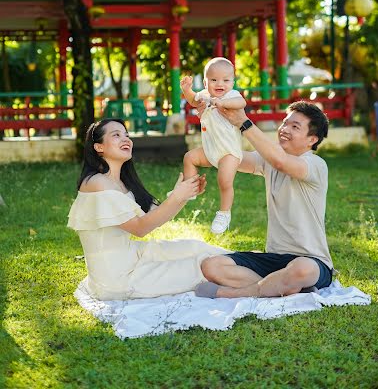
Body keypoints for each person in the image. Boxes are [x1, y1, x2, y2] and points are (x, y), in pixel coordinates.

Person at [67, 118, 226, 301]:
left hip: (134, 256)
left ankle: (255, 260)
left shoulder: (122, 183)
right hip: (118, 279)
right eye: (116, 135)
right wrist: (177, 196)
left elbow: (156, 217)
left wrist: (182, 195)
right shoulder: (97, 183)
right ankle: (256, 272)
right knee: (200, 266)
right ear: (99, 147)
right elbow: (140, 228)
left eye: (126, 135)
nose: (126, 139)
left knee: (196, 247)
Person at [194, 100, 334, 298]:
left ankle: (226, 294)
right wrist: (210, 121)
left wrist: (244, 122)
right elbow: (228, 157)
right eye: (285, 123)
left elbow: (280, 161)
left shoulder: (315, 165)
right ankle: (289, 288)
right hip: (274, 258)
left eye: (295, 127)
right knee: (211, 266)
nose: (284, 129)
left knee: (301, 269)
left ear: (312, 139)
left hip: (311, 261)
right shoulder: (268, 160)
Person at [181, 57, 252, 235]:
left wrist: (222, 103)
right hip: (210, 150)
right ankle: (191, 189)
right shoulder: (204, 96)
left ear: (232, 82)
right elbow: (192, 101)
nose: (220, 84)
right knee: (189, 158)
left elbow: (241, 103)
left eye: (226, 80)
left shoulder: (231, 96)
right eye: (214, 80)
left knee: (224, 180)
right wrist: (187, 89)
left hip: (229, 152)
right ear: (205, 83)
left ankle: (224, 213)